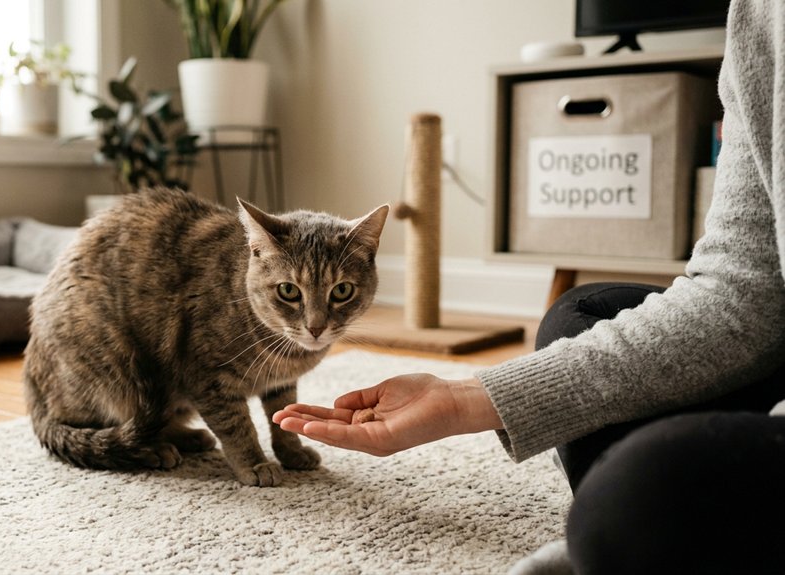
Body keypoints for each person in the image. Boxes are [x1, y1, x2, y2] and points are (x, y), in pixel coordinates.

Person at [273, 1, 785, 573]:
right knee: (576, 315)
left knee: (634, 498)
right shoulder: (757, 16)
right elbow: (746, 293)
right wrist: (470, 399)